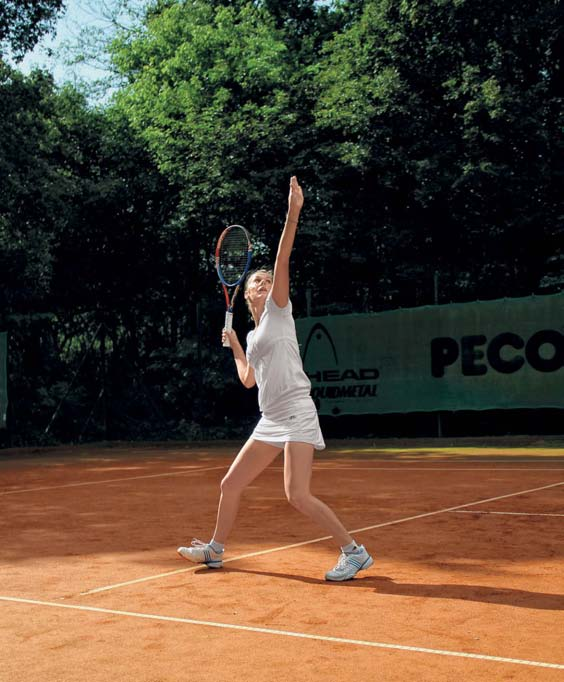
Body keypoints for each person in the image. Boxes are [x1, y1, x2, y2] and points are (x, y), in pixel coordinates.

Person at [177, 176, 373, 581]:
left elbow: (283, 257)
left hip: (297, 411)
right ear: (246, 295)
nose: (264, 283)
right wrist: (234, 345)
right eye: (256, 282)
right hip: (270, 418)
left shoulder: (279, 310)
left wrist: (293, 212)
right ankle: (215, 550)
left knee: (296, 494)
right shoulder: (251, 334)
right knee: (231, 483)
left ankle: (353, 552)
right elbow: (249, 380)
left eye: (266, 280)